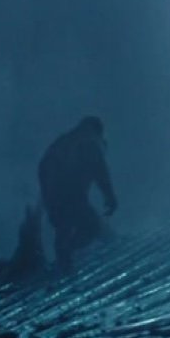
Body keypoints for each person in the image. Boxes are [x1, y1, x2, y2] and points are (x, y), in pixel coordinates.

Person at [37, 115, 116, 268]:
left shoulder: (63, 141)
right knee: (91, 226)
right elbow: (100, 171)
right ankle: (67, 254)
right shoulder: (89, 142)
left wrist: (47, 198)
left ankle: (64, 259)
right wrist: (110, 197)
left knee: (64, 227)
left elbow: (44, 169)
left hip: (55, 191)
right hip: (70, 191)